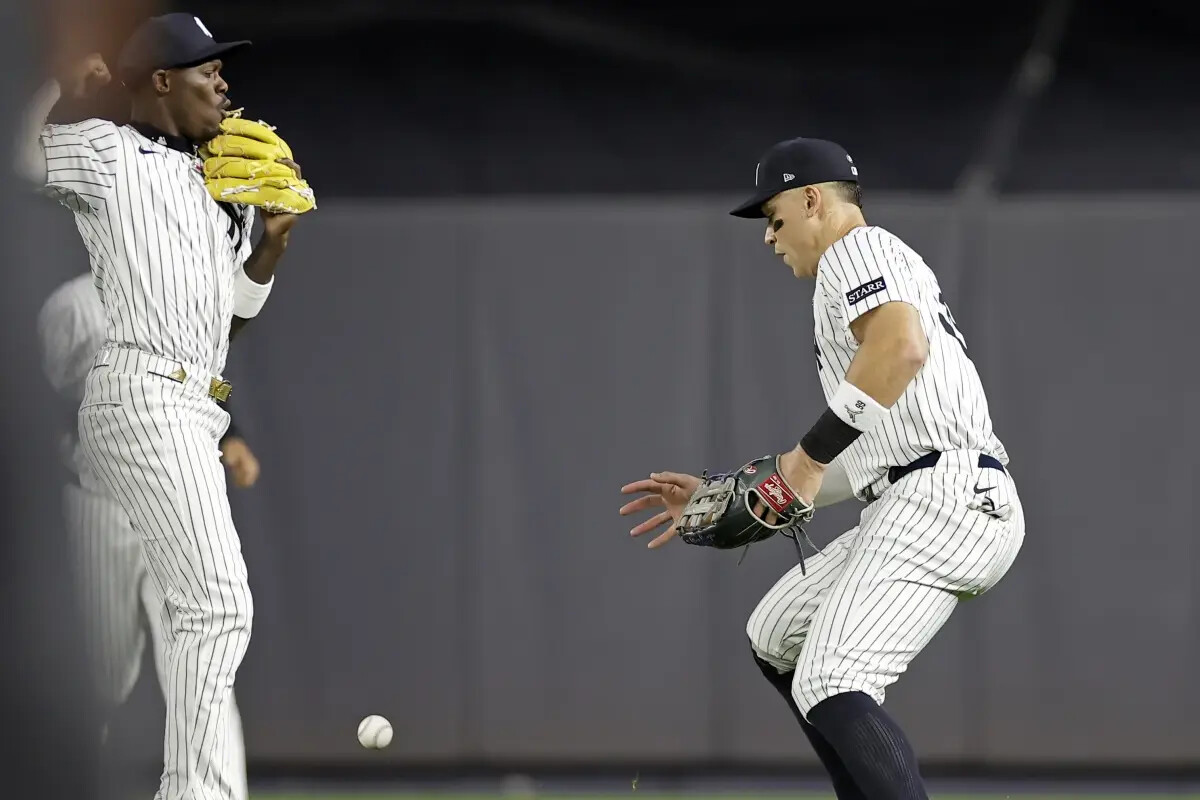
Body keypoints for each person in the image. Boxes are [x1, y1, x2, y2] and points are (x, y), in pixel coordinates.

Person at [619, 137, 1025, 800]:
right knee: (777, 636)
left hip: (946, 494)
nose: (768, 237)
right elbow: (868, 457)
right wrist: (733, 492)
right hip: (919, 488)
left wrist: (802, 463)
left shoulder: (855, 250)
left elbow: (903, 346)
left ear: (814, 200)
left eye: (774, 218)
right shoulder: (853, 284)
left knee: (831, 679)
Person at [15, 13, 298, 800]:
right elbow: (19, 157)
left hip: (190, 405)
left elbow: (228, 325)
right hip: (142, 392)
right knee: (216, 606)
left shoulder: (222, 190)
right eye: (208, 67)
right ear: (163, 80)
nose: (224, 80)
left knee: (200, 618)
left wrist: (268, 251)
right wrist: (61, 89)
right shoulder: (110, 151)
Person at [38, 270, 261, 800]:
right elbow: (31, 395)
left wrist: (233, 432)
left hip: (178, 500)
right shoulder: (71, 307)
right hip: (99, 503)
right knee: (96, 680)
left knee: (207, 666)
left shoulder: (177, 292)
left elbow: (210, 379)